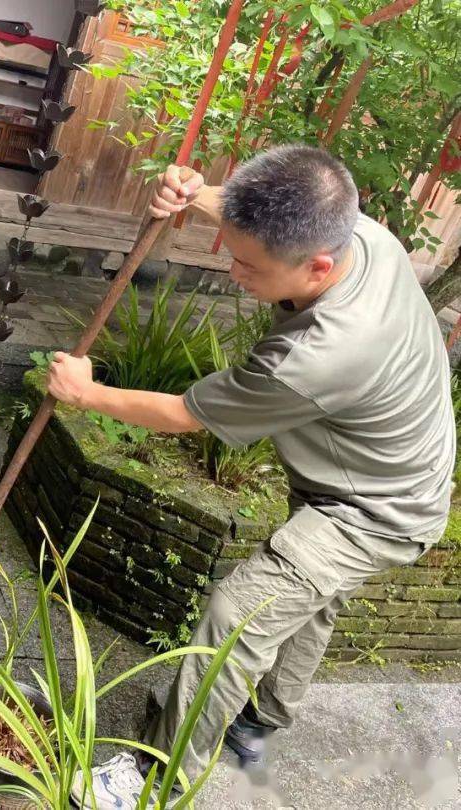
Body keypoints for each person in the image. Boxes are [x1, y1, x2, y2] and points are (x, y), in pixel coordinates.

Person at [47, 145, 454, 803]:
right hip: (391, 466)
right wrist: (197, 193)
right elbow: (253, 224)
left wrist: (84, 394)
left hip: (378, 509)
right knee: (305, 604)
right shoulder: (359, 234)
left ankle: (159, 775)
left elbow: (183, 414)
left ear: (316, 266)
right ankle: (257, 720)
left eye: (245, 263)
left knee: (241, 613)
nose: (231, 269)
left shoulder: (323, 353)